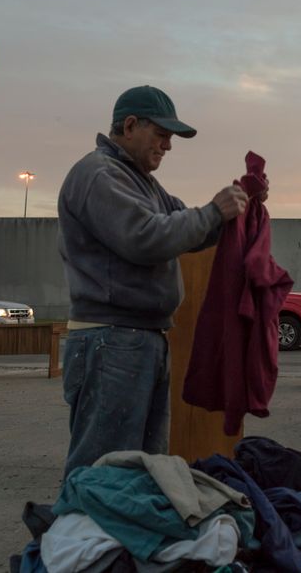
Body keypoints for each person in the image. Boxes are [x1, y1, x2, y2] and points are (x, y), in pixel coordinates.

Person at [57, 85, 251, 478]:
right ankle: (77, 537)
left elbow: (184, 226)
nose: (168, 145)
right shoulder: (99, 174)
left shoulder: (140, 181)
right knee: (104, 471)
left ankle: (116, 538)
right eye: (162, 134)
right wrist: (215, 212)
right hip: (111, 341)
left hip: (138, 339)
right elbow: (146, 236)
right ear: (130, 126)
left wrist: (234, 213)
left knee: (143, 469)